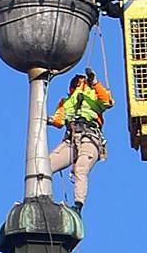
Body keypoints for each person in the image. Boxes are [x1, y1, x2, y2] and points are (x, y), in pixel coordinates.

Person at [47, 67, 113, 211]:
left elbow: (107, 101)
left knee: (80, 168)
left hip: (90, 138)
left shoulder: (93, 94)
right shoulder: (66, 102)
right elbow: (59, 120)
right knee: (46, 165)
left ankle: (78, 205)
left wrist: (94, 82)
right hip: (72, 140)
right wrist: (46, 120)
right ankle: (43, 197)